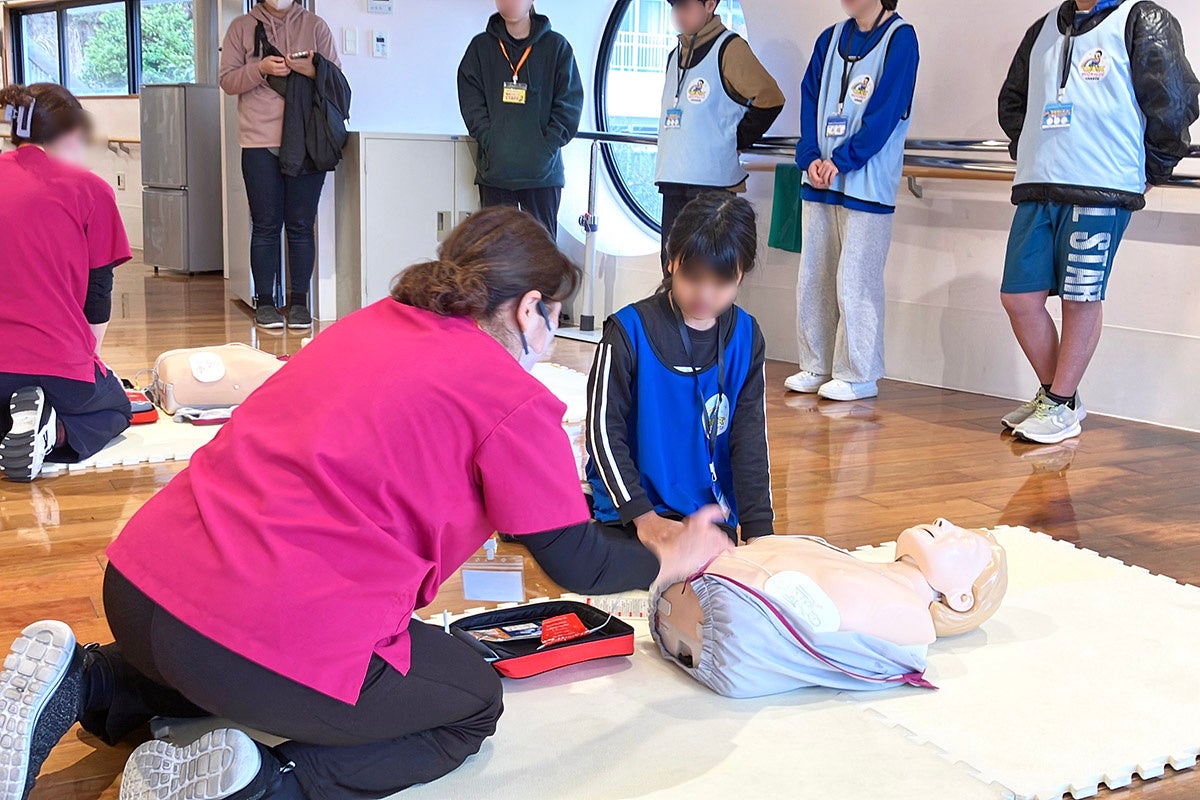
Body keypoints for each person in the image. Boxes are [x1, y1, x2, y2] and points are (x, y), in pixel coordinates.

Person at [1, 207, 733, 800]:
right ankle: (266, 788)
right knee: (470, 698)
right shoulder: (511, 399)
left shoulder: (372, 321)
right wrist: (671, 555)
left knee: (226, 651)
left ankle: (86, 679)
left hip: (138, 591)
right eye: (552, 316)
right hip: (247, 634)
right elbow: (573, 556)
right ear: (530, 307)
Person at [996, 0, 1199, 443]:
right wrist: (1033, 147)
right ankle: (1059, 397)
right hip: (1038, 182)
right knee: (1018, 298)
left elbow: (1174, 101)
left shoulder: (1143, 19)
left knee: (1079, 297)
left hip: (1101, 185)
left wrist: (1153, 170)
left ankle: (1060, 402)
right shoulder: (1044, 27)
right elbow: (1013, 100)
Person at [587, 194, 774, 556]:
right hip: (631, 511)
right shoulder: (627, 331)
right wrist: (644, 518)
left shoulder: (747, 336)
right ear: (671, 260)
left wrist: (759, 532)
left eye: (721, 282)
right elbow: (602, 433)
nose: (705, 294)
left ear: (741, 275)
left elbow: (749, 439)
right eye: (693, 277)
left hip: (704, 514)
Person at [654, 518, 1008, 698]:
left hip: (733, 624)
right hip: (699, 587)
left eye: (963, 542)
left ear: (962, 598)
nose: (944, 523)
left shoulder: (913, 619)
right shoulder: (854, 562)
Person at [785, 0, 919, 402]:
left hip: (866, 183)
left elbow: (886, 112)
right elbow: (809, 98)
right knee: (814, 277)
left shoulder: (901, 39)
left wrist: (842, 161)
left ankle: (859, 372)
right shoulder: (830, 39)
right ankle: (816, 363)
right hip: (820, 177)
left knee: (855, 280)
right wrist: (810, 156)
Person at [0, 83, 132, 483]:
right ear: (72, 134)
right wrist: (91, 361)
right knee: (115, 409)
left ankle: (14, 420)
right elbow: (98, 295)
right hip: (57, 367)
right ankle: (51, 427)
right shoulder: (92, 190)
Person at [219, 0, 341, 331]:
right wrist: (260, 70)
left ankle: (299, 302)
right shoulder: (241, 27)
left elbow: (336, 79)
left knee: (301, 224)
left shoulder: (315, 26)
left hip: (307, 141)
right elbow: (227, 81)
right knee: (266, 225)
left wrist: (311, 69)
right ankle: (266, 302)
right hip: (258, 142)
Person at [654, 0, 786, 273]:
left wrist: (735, 140)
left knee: (708, 270)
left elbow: (770, 98)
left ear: (710, 4)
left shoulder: (729, 48)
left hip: (711, 186)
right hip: (673, 178)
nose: (678, 14)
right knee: (672, 268)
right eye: (674, 7)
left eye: (685, 6)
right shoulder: (675, 54)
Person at [458, 0, 584, 238]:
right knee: (494, 256)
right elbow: (471, 103)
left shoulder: (556, 47)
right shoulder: (480, 47)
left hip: (542, 176)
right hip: (496, 172)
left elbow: (569, 104)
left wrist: (546, 145)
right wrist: (490, 139)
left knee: (541, 257)